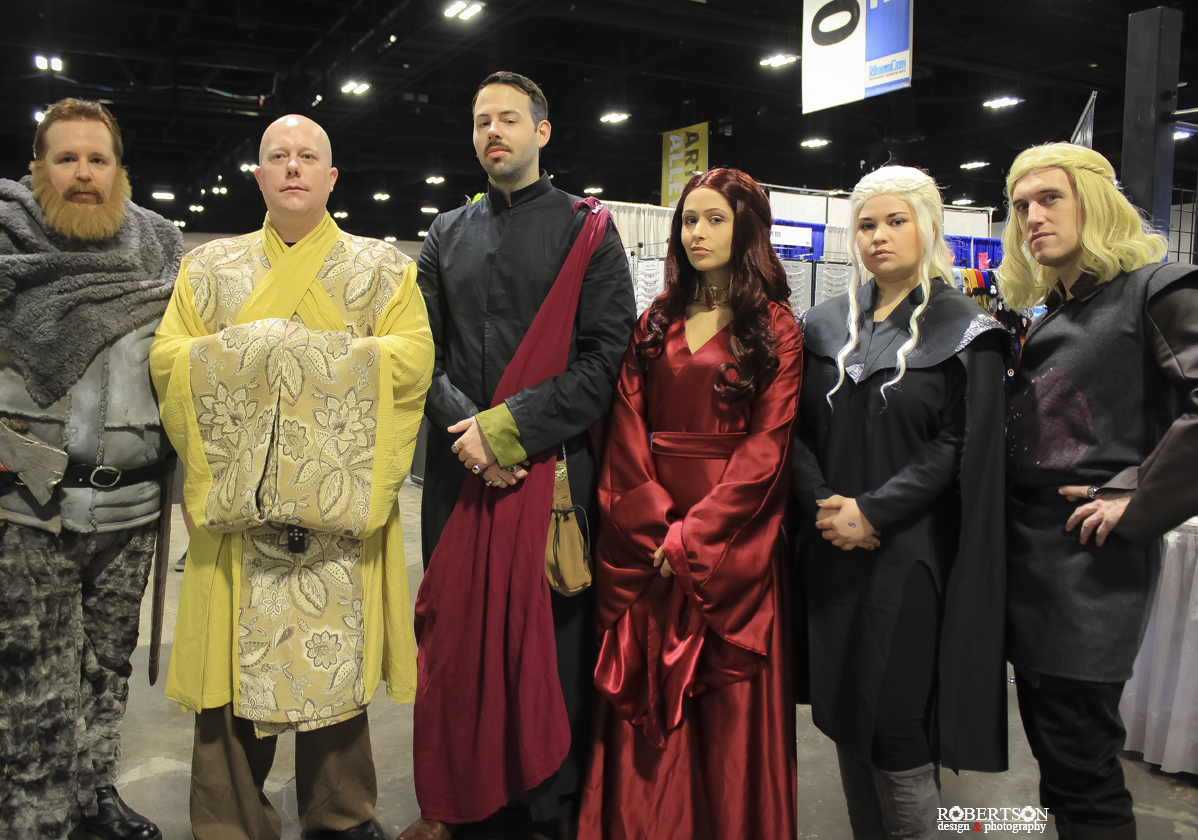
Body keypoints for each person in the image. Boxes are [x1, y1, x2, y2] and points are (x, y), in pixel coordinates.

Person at [150, 114, 433, 840]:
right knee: (227, 675)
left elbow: (412, 360)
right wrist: (267, 347)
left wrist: (284, 355)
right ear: (260, 176)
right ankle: (230, 821)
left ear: (332, 177)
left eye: (309, 156)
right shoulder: (209, 268)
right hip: (239, 515)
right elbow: (170, 359)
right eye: (279, 156)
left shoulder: (381, 268)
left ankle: (341, 815)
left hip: (336, 517)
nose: (294, 167)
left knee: (335, 666)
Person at [0, 98, 181, 840]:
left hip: (132, 510)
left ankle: (91, 793)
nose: (83, 173)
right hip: (22, 506)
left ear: (119, 171)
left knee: (106, 666)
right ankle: (24, 823)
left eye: (97, 159)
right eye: (66, 158)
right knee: (26, 688)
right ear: (38, 167)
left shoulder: (160, 249)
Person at [404, 71, 635, 840]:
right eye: (480, 121)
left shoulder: (586, 230)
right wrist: (473, 436)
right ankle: (460, 798)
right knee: (457, 645)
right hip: (459, 473)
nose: (492, 132)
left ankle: (546, 806)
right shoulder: (444, 234)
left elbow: (606, 359)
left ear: (542, 131)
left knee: (549, 649)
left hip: (552, 476)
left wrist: (507, 430)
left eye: (507, 118)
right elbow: (419, 354)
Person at [576, 167, 802, 839]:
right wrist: (654, 527)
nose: (696, 233)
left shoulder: (777, 329)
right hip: (650, 538)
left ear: (747, 228)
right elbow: (625, 424)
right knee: (646, 690)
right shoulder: (655, 320)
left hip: (730, 545)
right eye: (689, 220)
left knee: (728, 710)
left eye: (715, 219)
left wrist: (694, 539)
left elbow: (768, 447)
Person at [793, 166, 1011, 839]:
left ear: (929, 226)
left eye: (896, 220)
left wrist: (873, 510)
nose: (879, 236)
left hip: (910, 557)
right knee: (843, 717)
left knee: (895, 726)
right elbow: (792, 430)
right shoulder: (823, 325)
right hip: (831, 549)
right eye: (866, 224)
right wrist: (824, 502)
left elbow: (960, 440)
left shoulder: (968, 331)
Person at [1001, 143, 1198, 840]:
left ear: (1097, 202)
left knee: (1083, 772)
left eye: (1050, 198)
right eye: (1021, 205)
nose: (1032, 216)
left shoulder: (1156, 286)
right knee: (1060, 764)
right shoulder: (1059, 307)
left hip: (1090, 564)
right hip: (1034, 561)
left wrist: (1138, 495)